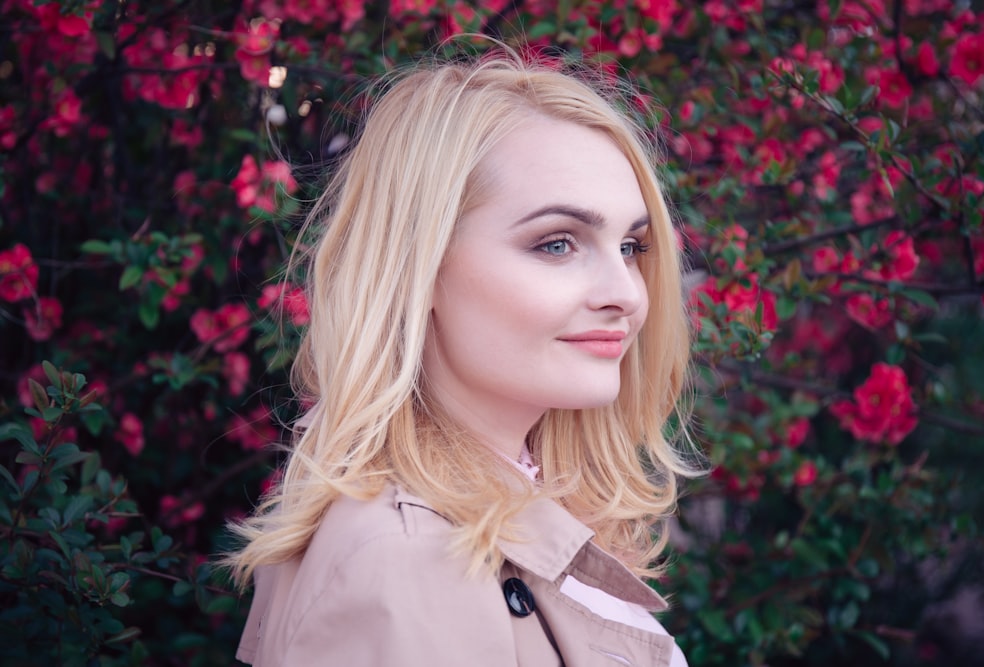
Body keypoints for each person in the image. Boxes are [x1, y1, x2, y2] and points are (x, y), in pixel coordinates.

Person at [226, 46, 698, 666]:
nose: (625, 295)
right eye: (557, 244)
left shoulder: (510, 505)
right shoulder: (408, 564)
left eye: (632, 246)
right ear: (418, 269)